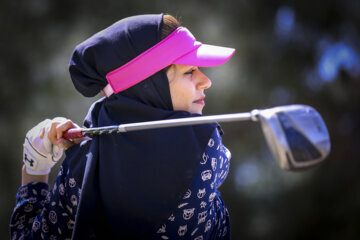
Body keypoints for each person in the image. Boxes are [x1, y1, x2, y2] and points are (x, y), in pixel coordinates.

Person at [10, 13, 235, 239]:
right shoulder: (207, 151)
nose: (207, 81)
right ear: (149, 85)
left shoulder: (79, 172)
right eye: (190, 71)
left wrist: (35, 168)